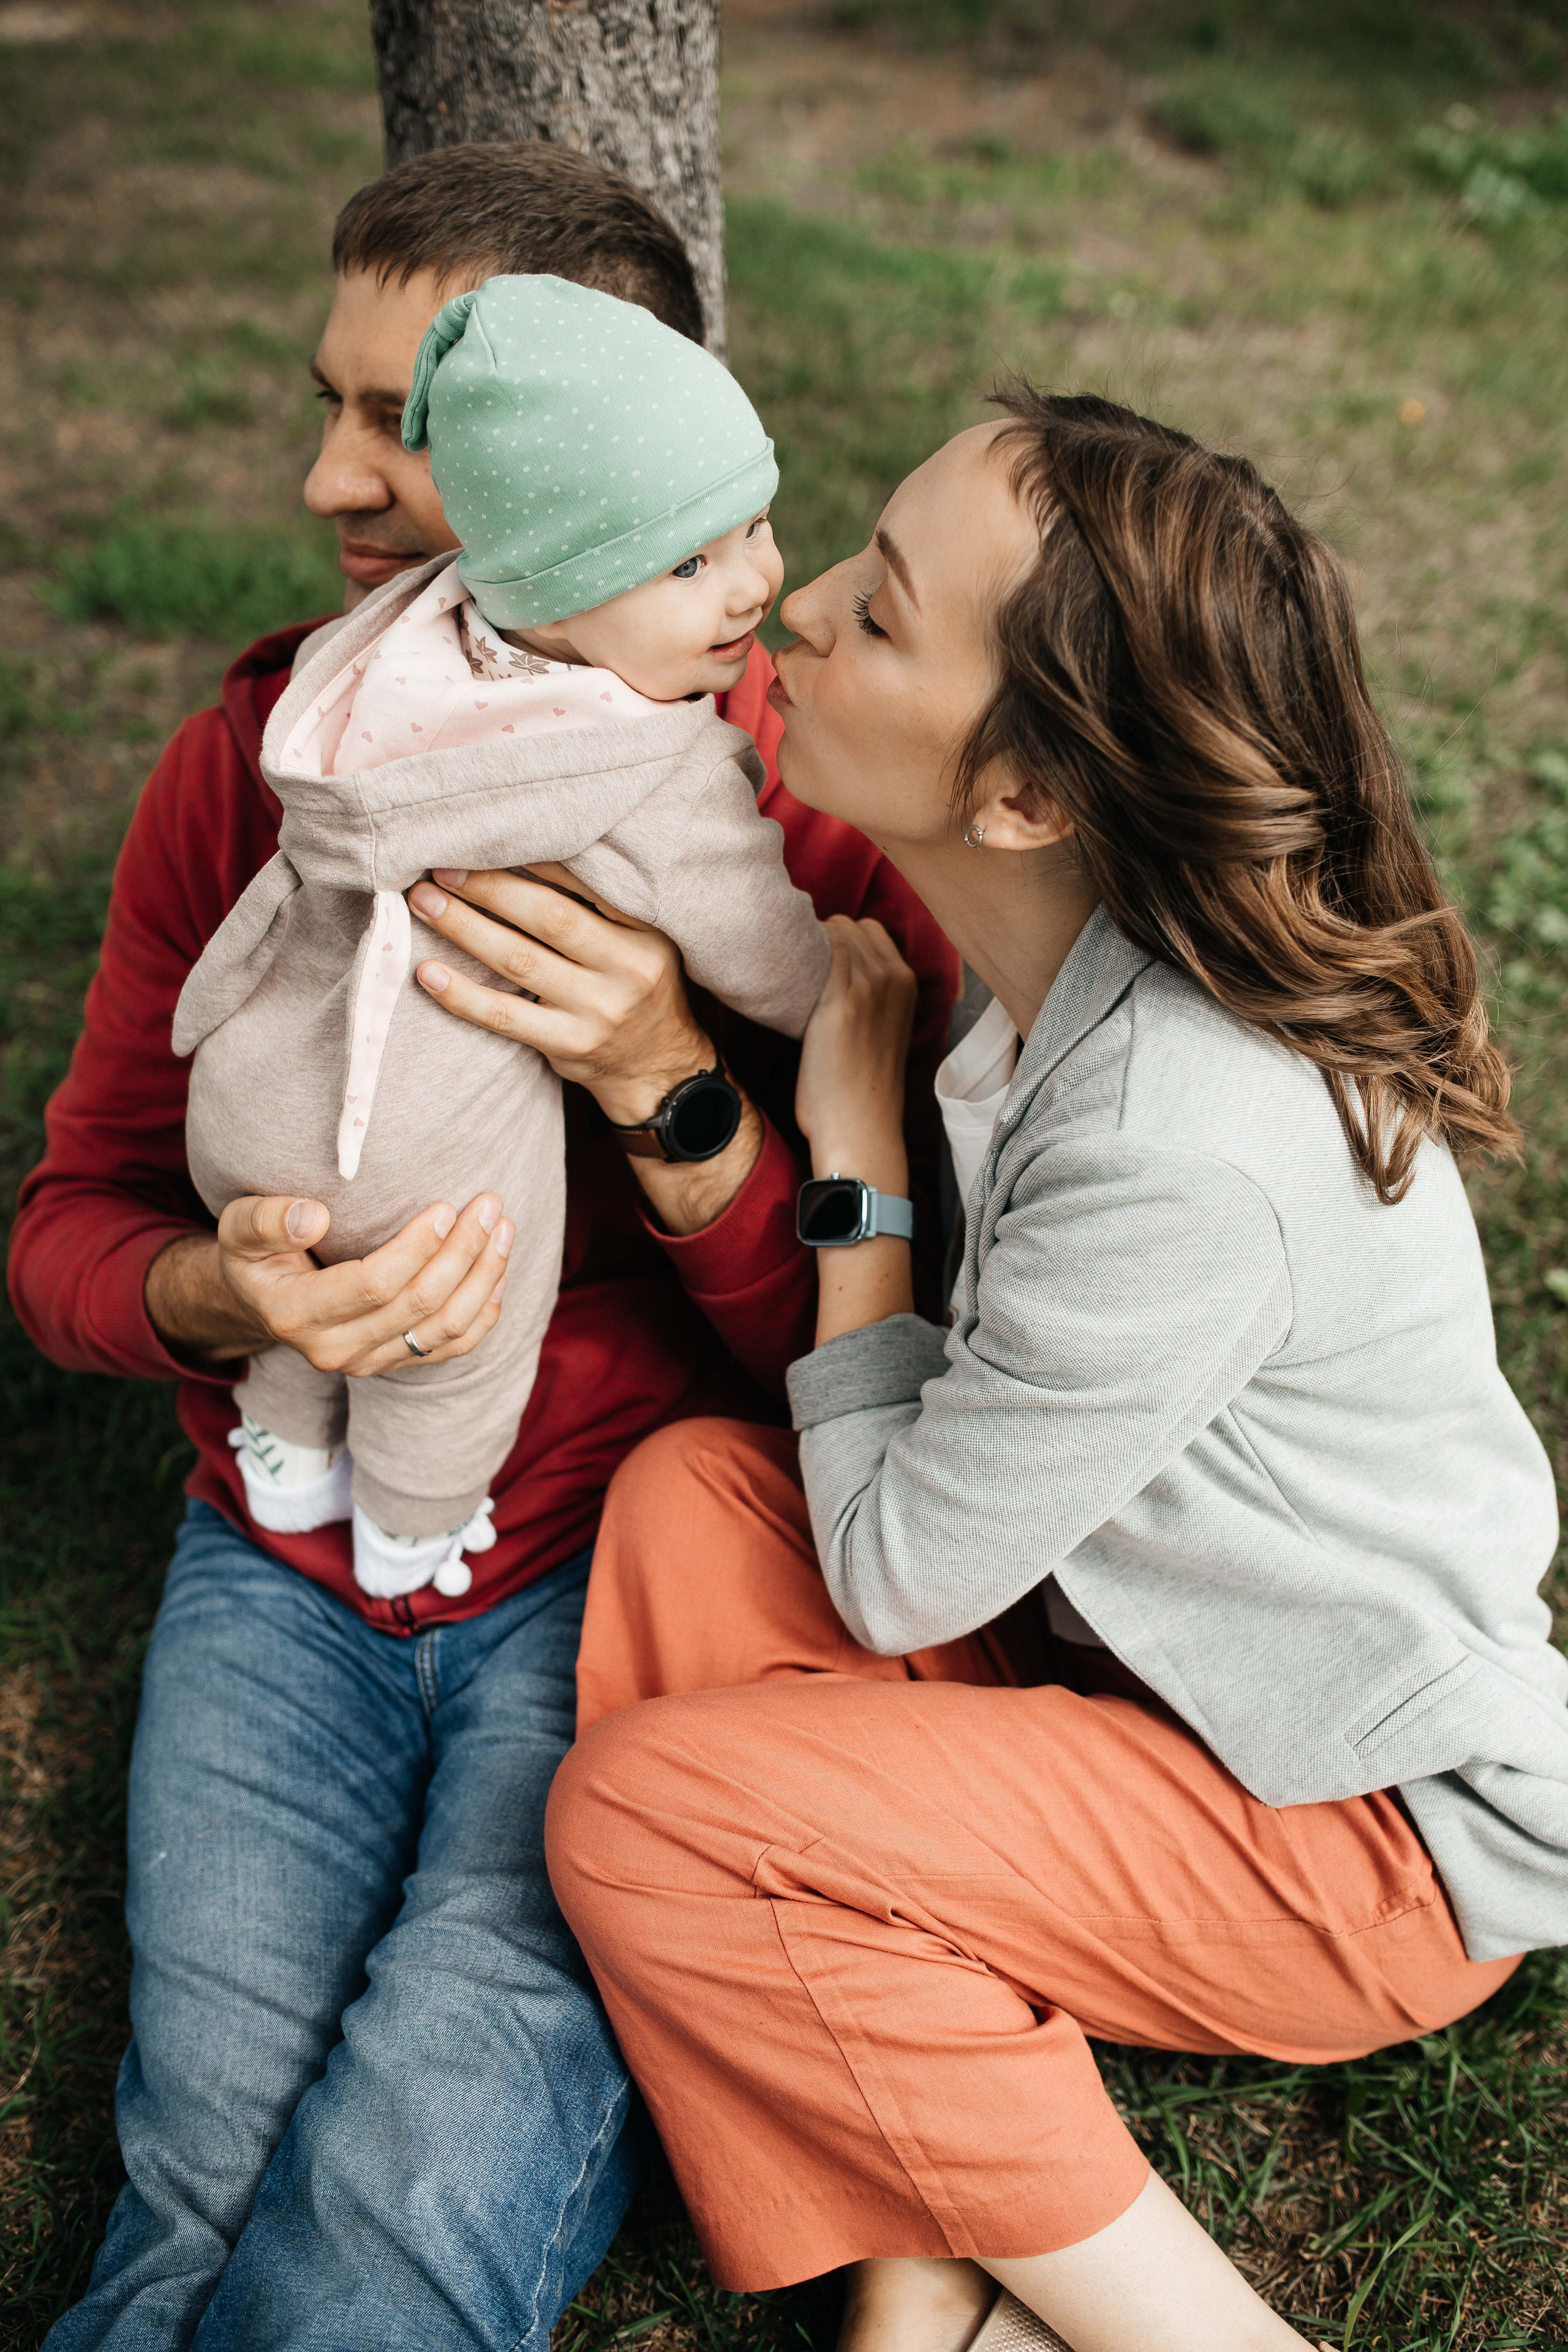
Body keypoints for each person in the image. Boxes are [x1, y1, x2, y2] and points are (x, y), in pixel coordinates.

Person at [9, 142, 955, 2351]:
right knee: (195, 2168)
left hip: (633, 1571)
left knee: (402, 2189)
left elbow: (870, 1361)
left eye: (403, 422)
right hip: (282, 1547)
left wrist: (666, 1083)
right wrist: (217, 1296)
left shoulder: (795, 810)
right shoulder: (267, 759)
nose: (326, 478)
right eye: (329, 404)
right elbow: (70, 1222)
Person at [544, 388, 1568, 2352]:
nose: (798, 608)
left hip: (1354, 1834)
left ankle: (1183, 2330)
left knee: (646, 1814)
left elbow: (896, 1574)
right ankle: (925, 2235)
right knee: (695, 1498)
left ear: (1022, 794)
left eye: (878, 611)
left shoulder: (1184, 1136)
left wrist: (853, 1163)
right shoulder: (1058, 979)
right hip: (1137, 1677)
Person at [187, 271, 826, 1602]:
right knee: (462, 1318)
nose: (757, 582)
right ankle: (413, 1533)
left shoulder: (379, 660)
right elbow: (766, 947)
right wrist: (846, 1000)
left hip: (249, 1087)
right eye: (692, 563)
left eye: (756, 528)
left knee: (308, 1296)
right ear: (557, 583)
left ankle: (287, 1452)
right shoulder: (646, 758)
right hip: (422, 1153)